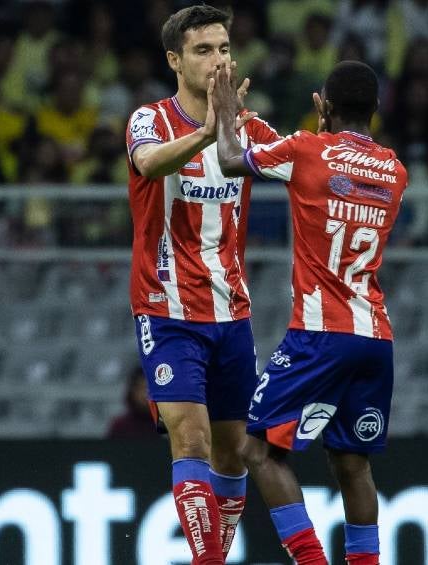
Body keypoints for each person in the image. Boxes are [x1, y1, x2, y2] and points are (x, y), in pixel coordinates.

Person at [213, 60, 409, 565]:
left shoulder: (307, 149)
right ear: (377, 110)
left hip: (321, 336)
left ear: (322, 105)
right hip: (376, 338)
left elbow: (233, 159)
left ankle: (312, 562)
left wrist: (225, 107)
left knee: (257, 450)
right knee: (352, 463)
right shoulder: (394, 170)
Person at [124, 5, 280, 564]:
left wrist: (339, 145)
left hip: (231, 311)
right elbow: (148, 164)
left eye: (223, 49)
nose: (218, 60)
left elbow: (296, 165)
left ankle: (213, 555)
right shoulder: (150, 120)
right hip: (166, 310)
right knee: (191, 442)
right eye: (203, 50)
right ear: (175, 60)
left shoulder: (248, 128)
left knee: (235, 454)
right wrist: (208, 133)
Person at [106, 367, 158, 439]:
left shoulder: (169, 426)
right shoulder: (121, 427)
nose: (145, 394)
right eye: (141, 388)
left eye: (150, 389)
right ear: (132, 391)